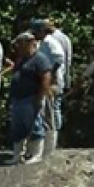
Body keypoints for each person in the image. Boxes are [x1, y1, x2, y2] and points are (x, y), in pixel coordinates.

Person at [7, 32, 53, 165]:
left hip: (31, 97)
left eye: (20, 44)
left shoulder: (40, 59)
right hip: (18, 98)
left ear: (29, 43)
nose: (18, 47)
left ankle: (36, 154)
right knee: (18, 127)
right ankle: (18, 154)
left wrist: (40, 97)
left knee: (35, 125)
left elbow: (46, 78)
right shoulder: (21, 59)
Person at [31, 18, 66, 156]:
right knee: (45, 113)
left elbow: (59, 58)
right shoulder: (42, 43)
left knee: (50, 113)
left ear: (41, 31)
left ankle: (51, 147)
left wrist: (50, 74)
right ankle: (47, 146)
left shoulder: (50, 42)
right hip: (46, 80)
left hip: (52, 81)